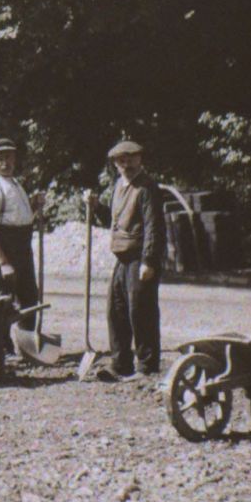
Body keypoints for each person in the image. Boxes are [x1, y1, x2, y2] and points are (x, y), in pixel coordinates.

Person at [0, 138, 45, 355]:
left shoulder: (14, 183)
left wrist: (33, 205)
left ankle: (27, 348)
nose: (5, 162)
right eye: (0, 158)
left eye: (9, 157)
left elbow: (17, 216)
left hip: (22, 246)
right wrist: (4, 262)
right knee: (0, 301)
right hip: (1, 247)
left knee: (28, 297)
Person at [101, 139, 164, 380]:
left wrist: (149, 260)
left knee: (141, 311)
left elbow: (154, 227)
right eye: (121, 160)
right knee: (116, 310)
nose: (126, 164)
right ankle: (120, 364)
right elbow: (116, 219)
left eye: (131, 158)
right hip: (122, 258)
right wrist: (95, 206)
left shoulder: (147, 188)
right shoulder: (119, 185)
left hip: (140, 257)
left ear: (140, 159)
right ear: (116, 164)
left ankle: (147, 366)